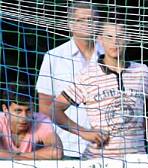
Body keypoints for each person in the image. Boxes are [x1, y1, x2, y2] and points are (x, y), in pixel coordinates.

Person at [53, 20, 148, 160]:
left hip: (137, 159)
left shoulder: (141, 72)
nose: (115, 42)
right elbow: (54, 110)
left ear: (128, 38)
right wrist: (84, 132)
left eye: (120, 36)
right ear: (100, 39)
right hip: (98, 161)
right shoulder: (88, 76)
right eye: (109, 37)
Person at [37, 1, 103, 158]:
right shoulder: (54, 57)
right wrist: (82, 132)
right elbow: (45, 107)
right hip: (69, 147)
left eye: (91, 20)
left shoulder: (113, 54)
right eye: (81, 20)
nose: (87, 24)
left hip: (109, 147)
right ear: (70, 24)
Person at [0, 87, 63, 160]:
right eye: (18, 111)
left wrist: (18, 157)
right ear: (5, 109)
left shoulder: (41, 121)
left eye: (29, 110)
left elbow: (57, 152)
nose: (24, 117)